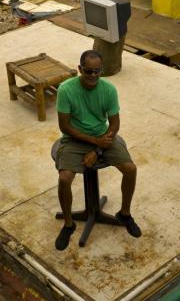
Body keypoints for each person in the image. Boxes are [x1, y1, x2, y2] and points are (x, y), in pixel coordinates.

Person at [53, 49, 141, 250]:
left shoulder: (108, 89)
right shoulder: (66, 89)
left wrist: (99, 147)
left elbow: (115, 124)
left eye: (97, 71)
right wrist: (93, 142)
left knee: (131, 169)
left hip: (103, 137)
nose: (93, 76)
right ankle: (69, 224)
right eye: (88, 71)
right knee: (64, 178)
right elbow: (65, 126)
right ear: (80, 69)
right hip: (74, 138)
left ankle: (124, 214)